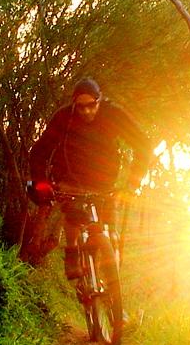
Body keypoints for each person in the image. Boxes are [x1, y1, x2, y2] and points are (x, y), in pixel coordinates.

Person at [26, 78, 153, 278]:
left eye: (91, 105)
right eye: (80, 107)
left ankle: (108, 284)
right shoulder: (63, 117)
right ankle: (72, 252)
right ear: (74, 104)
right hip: (69, 179)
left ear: (99, 100)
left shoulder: (113, 115)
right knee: (74, 218)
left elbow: (143, 145)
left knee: (106, 229)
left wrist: (133, 183)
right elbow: (40, 151)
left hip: (104, 181)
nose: (86, 111)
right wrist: (41, 183)